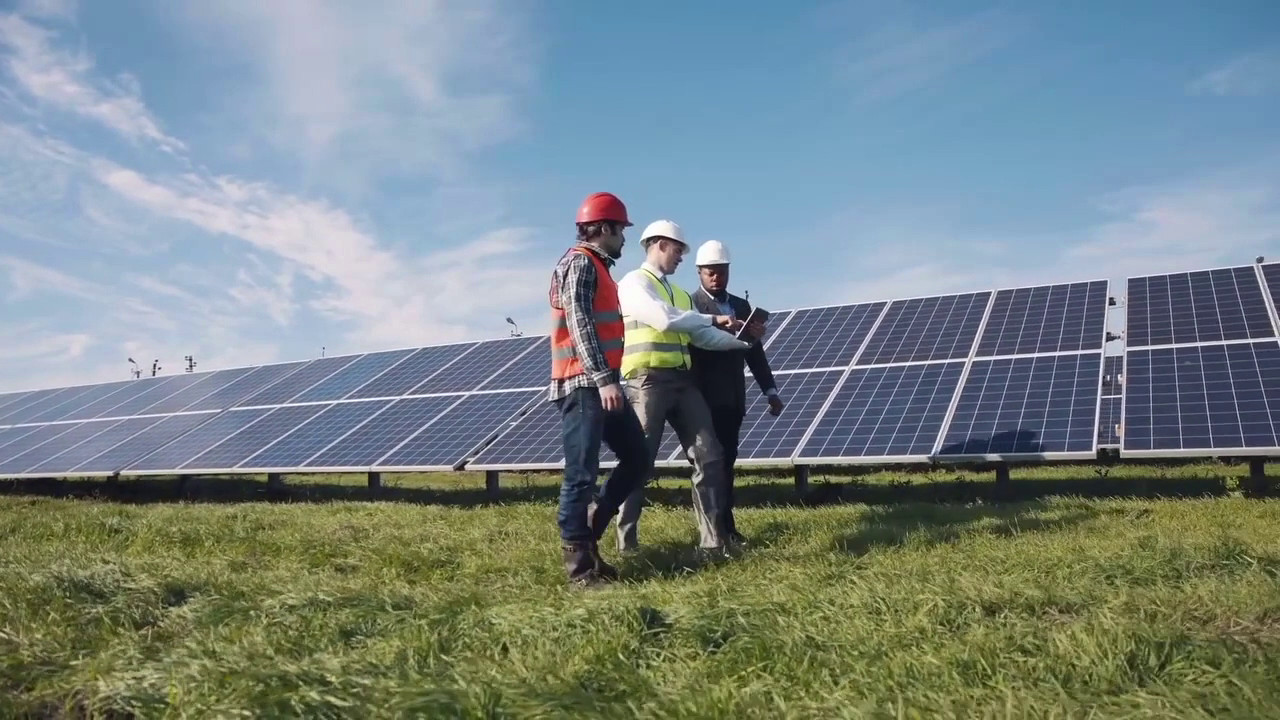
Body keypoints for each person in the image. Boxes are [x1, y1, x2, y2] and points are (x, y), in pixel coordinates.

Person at [614, 219, 753, 554]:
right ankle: (626, 543)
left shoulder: (678, 293)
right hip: (647, 381)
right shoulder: (634, 283)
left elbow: (701, 338)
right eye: (678, 250)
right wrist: (712, 318)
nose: (680, 258)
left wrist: (744, 342)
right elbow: (663, 319)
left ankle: (712, 543)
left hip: (683, 382)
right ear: (660, 244)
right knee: (639, 461)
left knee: (710, 455)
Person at [547, 191, 653, 587]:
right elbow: (580, 323)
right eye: (621, 230)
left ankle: (591, 531)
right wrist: (604, 378)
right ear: (604, 229)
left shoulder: (597, 267)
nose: (625, 238)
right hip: (583, 383)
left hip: (601, 382)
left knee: (638, 459)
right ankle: (579, 569)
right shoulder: (579, 264)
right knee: (581, 473)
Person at [689, 239, 785, 544]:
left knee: (727, 462)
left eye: (722, 271)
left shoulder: (742, 306)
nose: (717, 277)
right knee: (710, 464)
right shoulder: (692, 306)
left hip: (733, 399)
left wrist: (770, 390)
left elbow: (754, 354)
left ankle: (727, 528)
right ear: (700, 273)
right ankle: (714, 531)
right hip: (703, 399)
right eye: (710, 272)